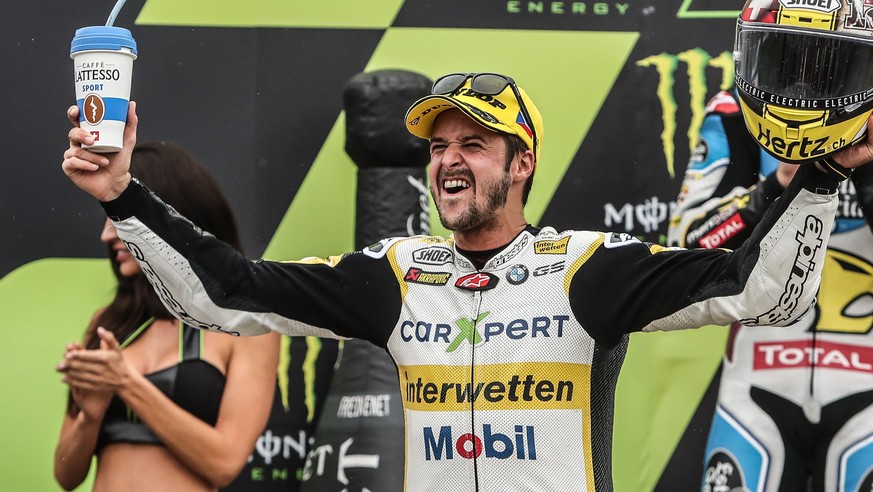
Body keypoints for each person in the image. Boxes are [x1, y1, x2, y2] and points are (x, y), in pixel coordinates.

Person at [61, 66, 869, 489]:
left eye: (473, 144)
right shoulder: (393, 276)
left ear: (521, 165)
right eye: (438, 146)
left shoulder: (588, 268)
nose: (448, 158)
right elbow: (222, 293)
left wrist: (821, 175)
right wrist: (122, 194)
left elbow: (762, 288)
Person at [668, 14, 873, 492]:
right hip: (755, 383)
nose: (808, 70)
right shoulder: (734, 111)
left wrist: (863, 174)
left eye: (829, 55)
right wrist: (776, 186)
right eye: (790, 51)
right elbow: (684, 242)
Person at [54, 141, 281, 492]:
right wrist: (90, 416)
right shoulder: (110, 321)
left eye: (117, 217)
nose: (106, 235)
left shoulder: (248, 324)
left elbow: (224, 463)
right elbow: (66, 476)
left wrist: (126, 385)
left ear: (172, 214)